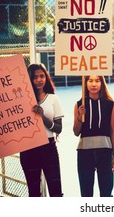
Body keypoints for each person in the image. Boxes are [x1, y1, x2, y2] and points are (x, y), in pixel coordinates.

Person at [21, 63, 64, 197]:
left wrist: (43, 117)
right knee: (33, 192)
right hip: (28, 149)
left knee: (55, 189)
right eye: (35, 77)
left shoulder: (53, 98)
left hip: (48, 148)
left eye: (42, 76)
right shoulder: (22, 101)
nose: (39, 80)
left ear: (46, 77)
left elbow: (59, 128)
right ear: (30, 79)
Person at [73, 75, 114, 197]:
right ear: (85, 83)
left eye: (97, 81)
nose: (94, 84)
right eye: (90, 80)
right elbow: (76, 132)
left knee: (106, 193)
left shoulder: (111, 104)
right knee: (86, 194)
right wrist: (79, 116)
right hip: (84, 153)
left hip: (105, 152)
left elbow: (112, 130)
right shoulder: (79, 104)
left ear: (102, 83)